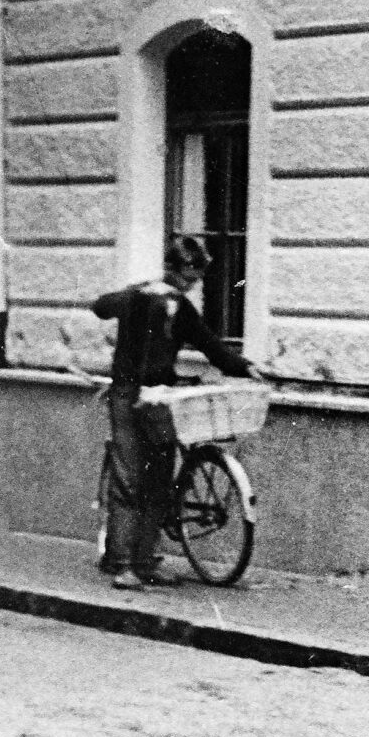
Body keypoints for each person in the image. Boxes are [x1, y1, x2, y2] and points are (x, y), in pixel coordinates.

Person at [91, 236, 262, 590]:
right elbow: (100, 306)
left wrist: (243, 367)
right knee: (130, 478)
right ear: (171, 269)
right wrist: (134, 295)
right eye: (187, 277)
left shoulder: (180, 307)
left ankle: (144, 561)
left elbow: (209, 343)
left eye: (196, 279)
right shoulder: (143, 296)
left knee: (158, 478)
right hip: (129, 395)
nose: (191, 285)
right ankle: (123, 565)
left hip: (160, 397)